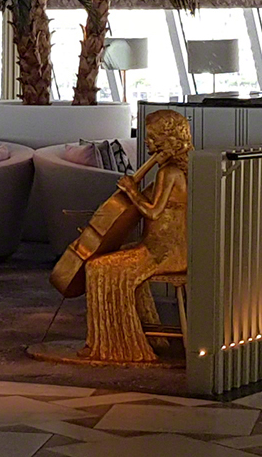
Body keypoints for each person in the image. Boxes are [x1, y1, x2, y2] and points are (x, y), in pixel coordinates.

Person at [81, 110, 190, 363]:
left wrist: (131, 190)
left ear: (168, 139)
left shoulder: (169, 172)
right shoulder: (180, 168)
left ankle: (116, 344)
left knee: (97, 267)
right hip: (171, 248)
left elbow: (153, 212)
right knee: (110, 259)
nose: (147, 143)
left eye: (152, 138)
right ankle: (126, 337)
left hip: (163, 253)